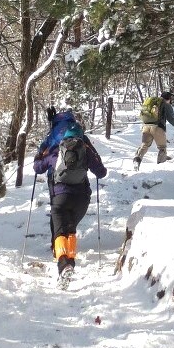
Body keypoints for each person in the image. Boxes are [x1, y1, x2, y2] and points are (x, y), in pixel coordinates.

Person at [33, 118, 107, 278]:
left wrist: (39, 155)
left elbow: (38, 168)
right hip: (81, 198)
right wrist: (92, 153)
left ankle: (63, 263)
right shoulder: (86, 151)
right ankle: (69, 265)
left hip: (60, 198)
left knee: (60, 232)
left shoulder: (56, 151)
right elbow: (101, 173)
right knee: (70, 229)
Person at [133, 91, 174, 169]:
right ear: (168, 99)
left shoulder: (153, 104)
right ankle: (161, 167)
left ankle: (137, 159)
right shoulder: (165, 104)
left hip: (145, 127)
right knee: (162, 147)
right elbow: (171, 117)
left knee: (144, 145)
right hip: (157, 128)